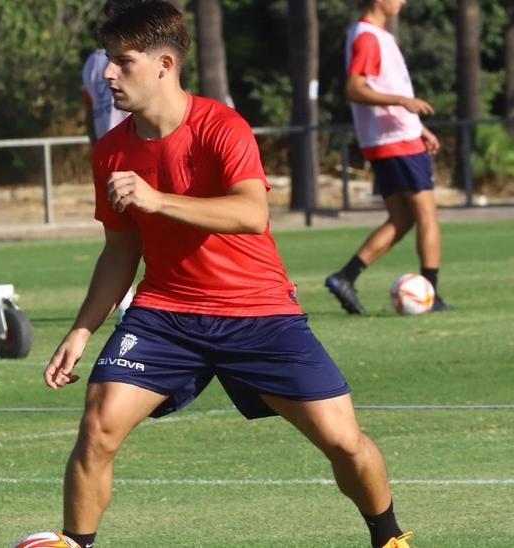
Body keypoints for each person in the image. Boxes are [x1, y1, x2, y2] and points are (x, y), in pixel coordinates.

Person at [42, 3, 414, 547]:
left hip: (258, 311)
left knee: (344, 441)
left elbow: (250, 214)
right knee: (98, 427)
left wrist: (158, 200)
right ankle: (76, 543)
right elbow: (121, 249)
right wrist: (81, 330)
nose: (107, 75)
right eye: (107, 60)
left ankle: (389, 537)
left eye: (122, 62)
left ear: (165, 64)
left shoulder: (221, 127)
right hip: (165, 313)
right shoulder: (111, 152)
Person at [325, 0, 450, 315]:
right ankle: (431, 295)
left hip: (390, 138)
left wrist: (417, 125)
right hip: (396, 141)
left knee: (402, 218)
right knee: (427, 216)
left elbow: (385, 85)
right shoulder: (368, 36)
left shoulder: (372, 33)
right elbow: (355, 88)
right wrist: (403, 102)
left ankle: (345, 277)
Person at [81, 0, 136, 144]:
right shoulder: (131, 57)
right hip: (128, 143)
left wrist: (95, 144)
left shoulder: (90, 64)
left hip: (107, 142)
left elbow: (90, 110)